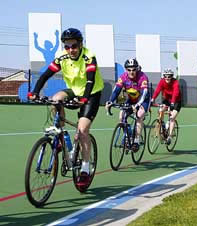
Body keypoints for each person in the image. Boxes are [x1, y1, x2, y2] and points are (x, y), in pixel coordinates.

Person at [28, 28, 104, 188]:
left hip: (91, 94)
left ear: (81, 44)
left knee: (82, 130)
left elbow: (90, 81)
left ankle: (84, 168)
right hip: (74, 90)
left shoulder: (89, 56)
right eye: (67, 47)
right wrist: (35, 92)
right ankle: (59, 133)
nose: (71, 50)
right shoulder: (61, 57)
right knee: (55, 99)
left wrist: (84, 99)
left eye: (74, 46)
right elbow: (45, 75)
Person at [106, 58, 150, 151]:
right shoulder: (123, 77)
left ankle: (136, 141)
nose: (131, 72)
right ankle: (128, 135)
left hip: (143, 100)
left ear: (137, 69)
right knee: (121, 115)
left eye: (134, 69)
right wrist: (110, 101)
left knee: (139, 115)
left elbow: (144, 93)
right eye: (129, 70)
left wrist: (138, 105)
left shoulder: (142, 77)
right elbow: (116, 90)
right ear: (126, 70)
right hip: (131, 100)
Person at [151, 68, 181, 145]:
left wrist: (172, 103)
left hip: (176, 101)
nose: (167, 78)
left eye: (169, 76)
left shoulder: (175, 82)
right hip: (167, 99)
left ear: (172, 77)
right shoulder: (162, 81)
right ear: (163, 76)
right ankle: (161, 125)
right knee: (160, 110)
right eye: (165, 76)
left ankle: (170, 136)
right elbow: (158, 90)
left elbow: (175, 93)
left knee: (172, 117)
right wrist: (153, 99)